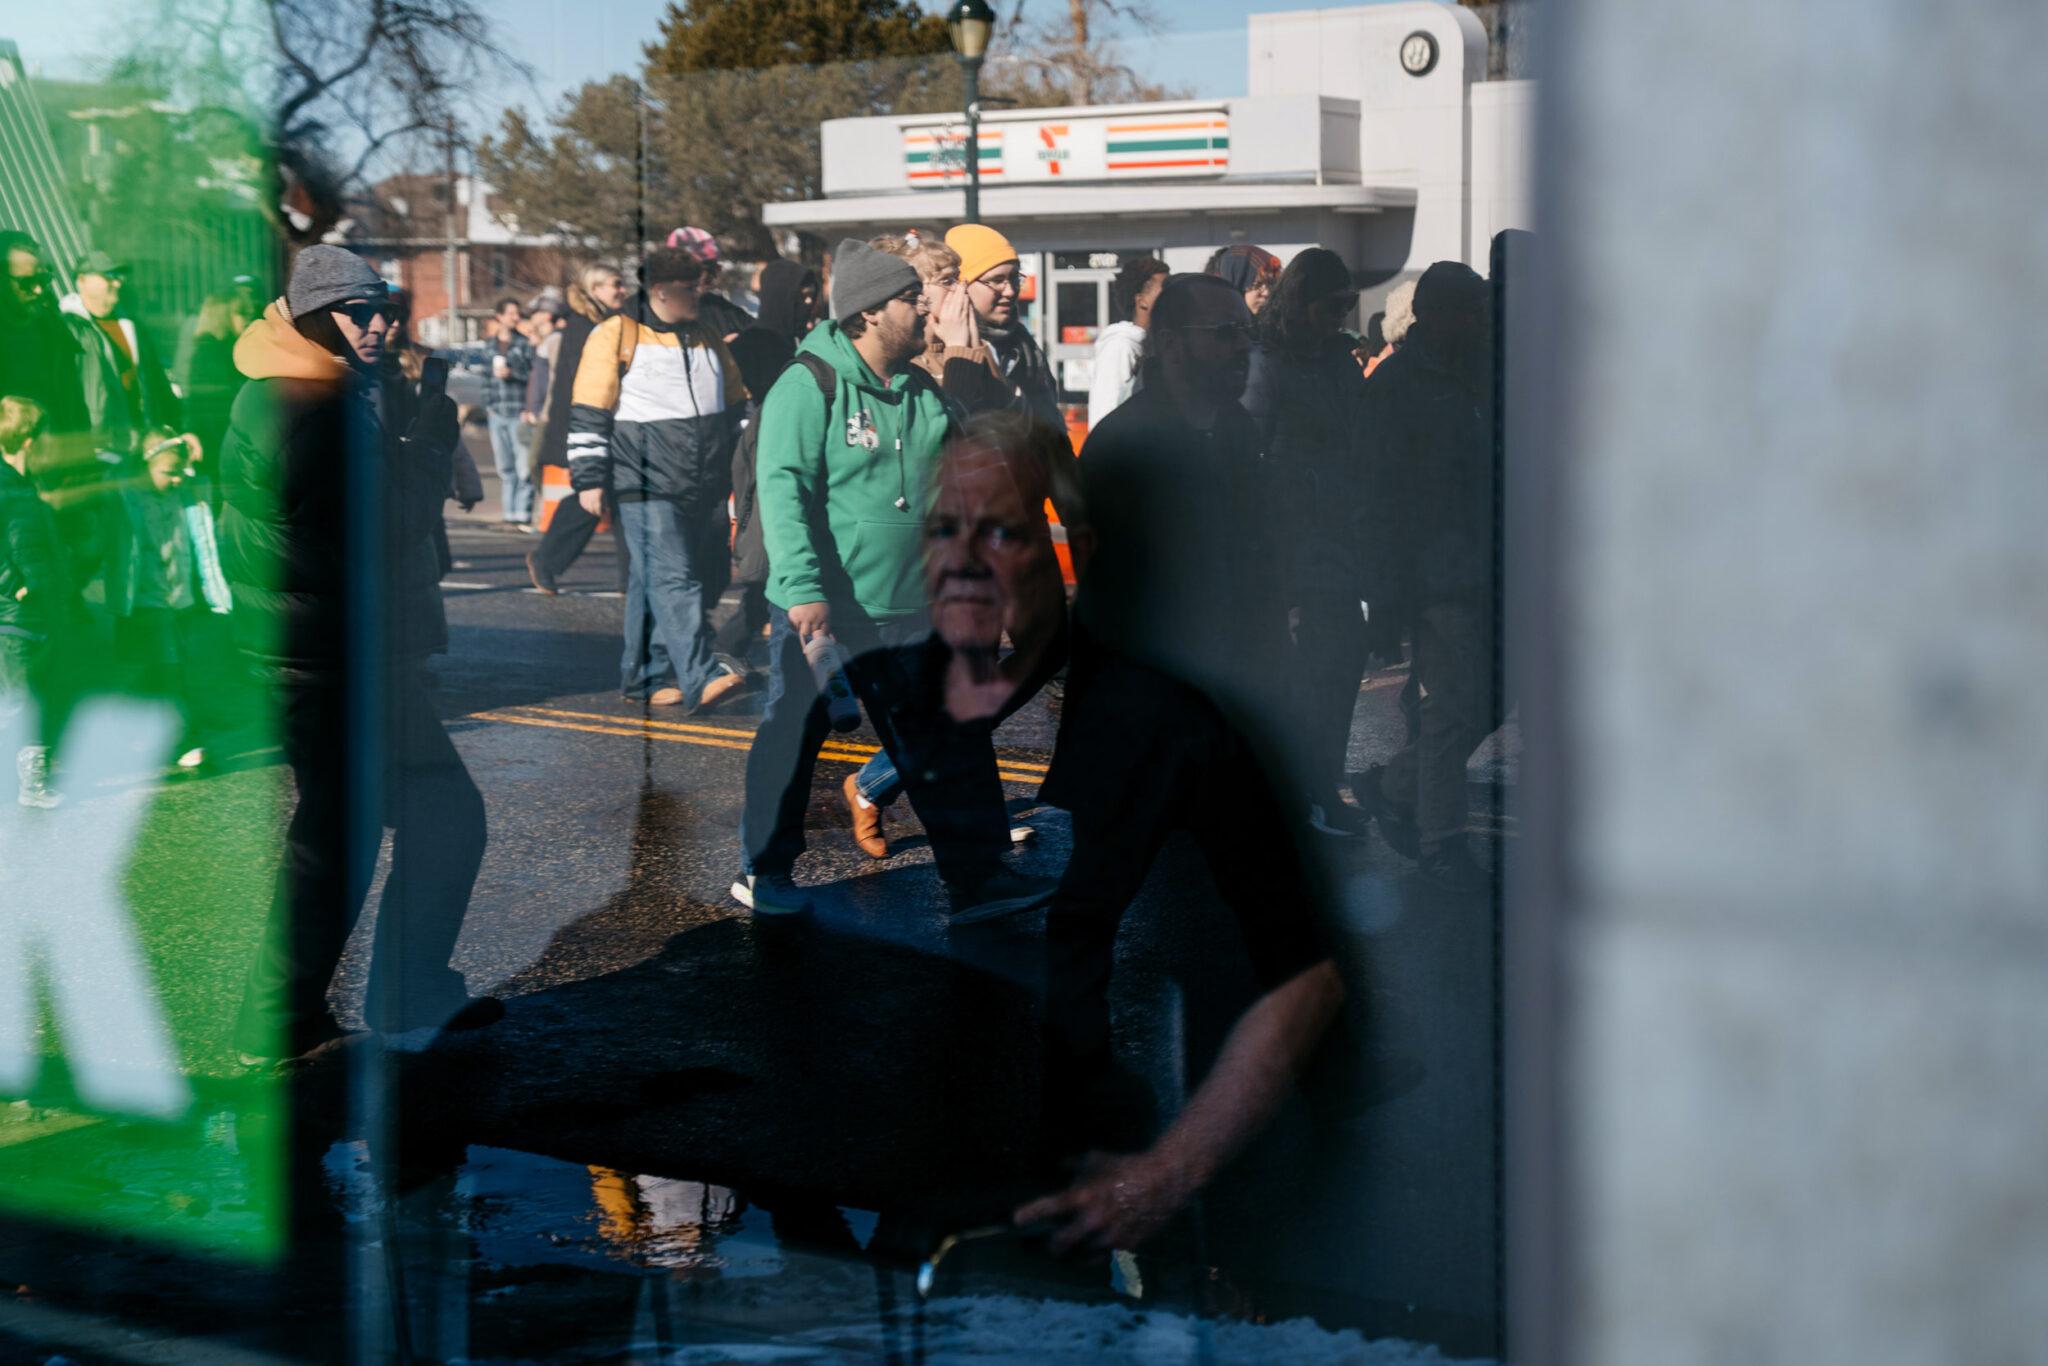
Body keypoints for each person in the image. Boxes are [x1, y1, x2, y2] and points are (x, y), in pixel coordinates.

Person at [220, 245, 498, 1063]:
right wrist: (433, 438)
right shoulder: (311, 405)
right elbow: (387, 523)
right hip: (333, 659)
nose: (377, 326)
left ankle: (381, 996)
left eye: (385, 312)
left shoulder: (309, 388)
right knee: (368, 832)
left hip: (336, 652)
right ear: (314, 318)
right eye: (357, 313)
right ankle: (287, 1021)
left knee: (397, 824)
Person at [735, 239, 1045, 920]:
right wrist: (805, 590)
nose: (925, 308)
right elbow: (782, 492)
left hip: (913, 605)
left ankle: (977, 877)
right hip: (827, 612)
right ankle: (766, 870)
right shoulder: (808, 383)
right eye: (912, 298)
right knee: (793, 742)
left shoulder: (918, 387)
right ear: (871, 314)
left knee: (948, 740)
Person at [1351, 262, 1499, 887]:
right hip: (1437, 574)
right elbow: (1377, 495)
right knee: (1455, 707)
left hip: (1481, 564)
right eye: (1466, 311)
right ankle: (1442, 840)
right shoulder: (1400, 384)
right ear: (1436, 315)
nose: (1478, 322)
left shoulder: (1479, 375)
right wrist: (1385, 592)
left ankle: (1392, 784)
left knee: (1482, 703)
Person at [567, 247, 748, 712]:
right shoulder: (615, 334)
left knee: (657, 582)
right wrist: (588, 480)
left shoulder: (706, 332)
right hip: (643, 482)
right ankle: (700, 676)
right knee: (675, 580)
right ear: (663, 291)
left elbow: (735, 405)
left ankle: (641, 676)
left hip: (701, 481)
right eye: (692, 288)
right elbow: (589, 410)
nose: (700, 295)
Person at [1242, 247, 1374, 837]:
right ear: (1300, 301)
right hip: (1288, 545)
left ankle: (1320, 784)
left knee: (1341, 667)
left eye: (1347, 304)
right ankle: (1300, 791)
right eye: (1331, 304)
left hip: (1338, 541)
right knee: (1297, 676)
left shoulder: (1341, 363)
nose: (1339, 316)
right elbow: (1249, 451)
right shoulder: (1266, 363)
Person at [101, 426, 233, 769]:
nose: (176, 479)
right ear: (145, 466)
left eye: (180, 472)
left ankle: (157, 735)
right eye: (168, 473)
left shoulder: (185, 496)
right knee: (156, 670)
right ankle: (178, 739)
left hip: (178, 601)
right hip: (142, 602)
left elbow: (203, 541)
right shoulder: (127, 496)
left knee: (169, 669)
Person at [527, 263, 628, 595]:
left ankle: (632, 578)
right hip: (587, 426)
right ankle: (546, 560)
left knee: (616, 496)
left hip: (598, 426)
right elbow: (580, 385)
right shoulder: (585, 326)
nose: (622, 290)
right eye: (615, 284)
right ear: (594, 288)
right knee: (593, 498)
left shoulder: (601, 323)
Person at [0, 395, 76, 809]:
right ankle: (30, 785)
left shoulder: (22, 484)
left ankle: (31, 780)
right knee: (20, 699)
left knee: (28, 694)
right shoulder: (8, 487)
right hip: (15, 612)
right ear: (29, 439)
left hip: (32, 609)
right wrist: (17, 585)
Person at [59, 250, 186, 469]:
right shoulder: (66, 328)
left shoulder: (132, 325)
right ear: (82, 281)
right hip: (96, 445)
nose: (117, 283)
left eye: (118, 277)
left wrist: (173, 425)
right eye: (108, 277)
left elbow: (156, 382)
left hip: (141, 441)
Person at [943, 225, 1062, 429]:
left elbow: (1051, 425)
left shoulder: (1025, 345)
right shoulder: (940, 347)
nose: (1010, 291)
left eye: (1014, 278)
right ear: (961, 286)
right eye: (996, 281)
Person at [1087, 256, 1167, 430]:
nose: (1172, 298)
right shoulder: (1120, 346)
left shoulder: (1157, 345)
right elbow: (1105, 415)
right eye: (1165, 292)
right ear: (1141, 300)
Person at [484, 296, 536, 530]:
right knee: (505, 467)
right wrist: (489, 407)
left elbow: (533, 377)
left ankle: (522, 514)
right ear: (499, 317)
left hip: (518, 411)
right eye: (511, 313)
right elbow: (485, 379)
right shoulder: (489, 346)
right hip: (497, 413)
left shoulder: (524, 344)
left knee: (523, 466)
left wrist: (513, 373)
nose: (516, 318)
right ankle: (509, 513)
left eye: (517, 313)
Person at [667, 227, 752, 341]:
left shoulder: (720, 308)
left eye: (716, 270)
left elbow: (762, 335)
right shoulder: (643, 314)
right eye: (708, 270)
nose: (713, 280)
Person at [1204, 243, 1282, 317]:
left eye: (1271, 284)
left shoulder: (1276, 325)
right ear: (1236, 283)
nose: (1267, 293)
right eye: (1258, 284)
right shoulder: (1208, 326)